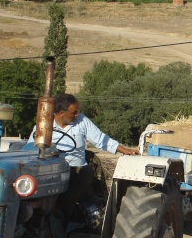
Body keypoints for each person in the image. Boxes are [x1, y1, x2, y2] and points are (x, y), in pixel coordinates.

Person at [27, 93, 139, 224]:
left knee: (88, 172)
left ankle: (62, 213)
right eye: (73, 112)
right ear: (61, 113)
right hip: (52, 171)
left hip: (76, 171)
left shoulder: (81, 121)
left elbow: (100, 139)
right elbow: (30, 149)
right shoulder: (44, 126)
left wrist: (125, 150)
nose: (76, 115)